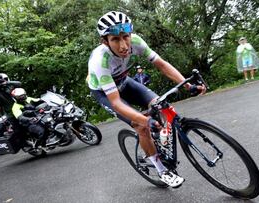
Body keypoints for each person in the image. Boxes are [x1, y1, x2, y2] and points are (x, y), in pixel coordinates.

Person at [87, 11, 205, 188]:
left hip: (125, 81)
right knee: (141, 126)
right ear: (105, 41)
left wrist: (187, 85)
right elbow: (116, 102)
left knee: (162, 105)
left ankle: (159, 139)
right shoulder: (99, 61)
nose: (123, 45)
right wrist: (144, 120)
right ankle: (162, 170)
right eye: (115, 39)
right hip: (105, 93)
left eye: (125, 36)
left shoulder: (136, 42)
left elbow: (162, 65)